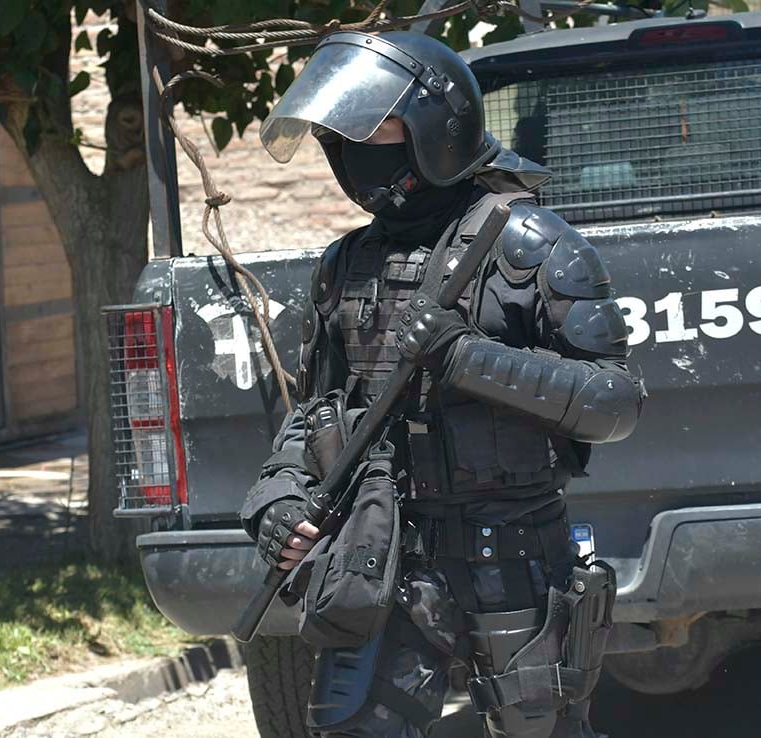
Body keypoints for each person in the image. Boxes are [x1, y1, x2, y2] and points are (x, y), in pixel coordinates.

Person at [241, 29, 645, 738]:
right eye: (344, 131)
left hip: (513, 554)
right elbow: (315, 412)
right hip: (384, 554)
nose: (355, 145)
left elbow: (615, 403)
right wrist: (276, 498)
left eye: (377, 125)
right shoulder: (345, 265)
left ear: (435, 129)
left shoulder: (531, 248)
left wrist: (467, 358)